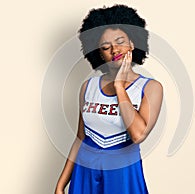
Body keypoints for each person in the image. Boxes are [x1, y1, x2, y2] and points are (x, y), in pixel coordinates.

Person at [55, 4, 163, 194]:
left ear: (132, 43)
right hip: (85, 172)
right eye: (106, 47)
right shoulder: (87, 87)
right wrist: (60, 184)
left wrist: (119, 86)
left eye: (120, 41)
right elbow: (80, 138)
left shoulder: (150, 88)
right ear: (99, 53)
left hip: (122, 174)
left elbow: (138, 135)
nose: (114, 49)